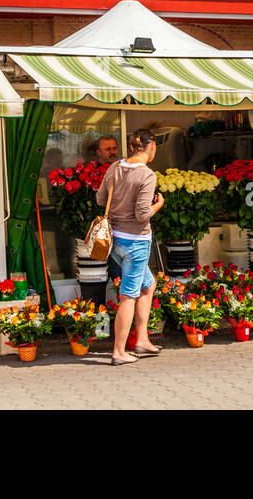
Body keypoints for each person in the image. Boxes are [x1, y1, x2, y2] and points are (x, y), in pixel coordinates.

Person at [95, 128, 164, 365]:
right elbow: (142, 214)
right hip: (136, 241)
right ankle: (119, 352)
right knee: (129, 296)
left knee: (148, 284)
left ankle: (142, 340)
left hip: (115, 240)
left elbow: (100, 200)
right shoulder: (147, 175)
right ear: (151, 147)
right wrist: (159, 204)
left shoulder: (115, 167)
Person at [92, 135, 123, 285]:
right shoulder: (94, 171)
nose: (112, 152)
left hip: (121, 226)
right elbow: (100, 200)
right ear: (98, 152)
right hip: (104, 227)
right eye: (108, 149)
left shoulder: (123, 169)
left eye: (114, 148)